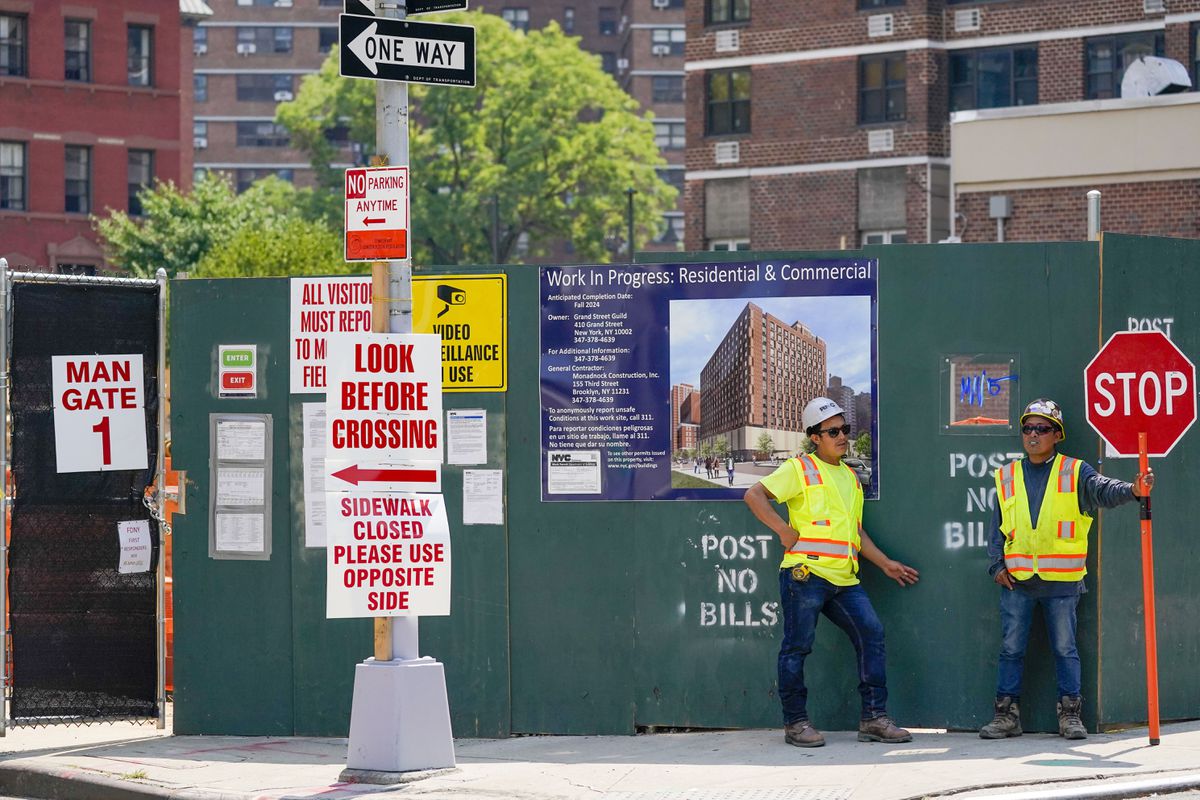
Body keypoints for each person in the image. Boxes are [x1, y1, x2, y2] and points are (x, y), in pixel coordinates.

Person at [744, 397, 919, 748]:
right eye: (833, 431)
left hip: (844, 579)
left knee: (872, 634)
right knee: (797, 648)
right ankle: (795, 723)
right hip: (805, 574)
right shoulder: (799, 469)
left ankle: (873, 719)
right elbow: (754, 495)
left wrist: (884, 563)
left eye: (845, 429)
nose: (842, 436)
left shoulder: (851, 478)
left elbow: (855, 531)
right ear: (814, 437)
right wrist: (782, 529)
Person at [979, 398, 1154, 741]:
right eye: (1028, 428)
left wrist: (1134, 491)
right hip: (1018, 582)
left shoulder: (1075, 471)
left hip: (1062, 584)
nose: (1033, 434)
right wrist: (996, 565)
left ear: (1057, 435)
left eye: (1042, 429)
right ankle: (1005, 716)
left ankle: (1070, 717)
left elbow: (1104, 491)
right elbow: (997, 525)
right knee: (1011, 649)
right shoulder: (1007, 475)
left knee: (1065, 649)